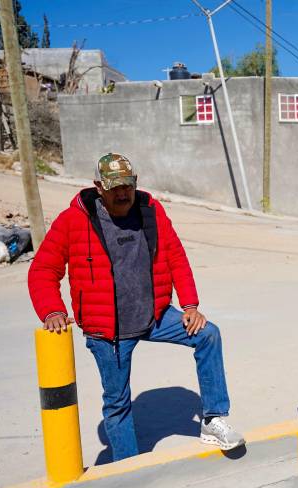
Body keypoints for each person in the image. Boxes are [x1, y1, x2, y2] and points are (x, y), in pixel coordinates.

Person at [28, 153, 243, 461]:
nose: (122, 193)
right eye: (114, 186)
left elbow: (175, 257)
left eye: (127, 185)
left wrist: (190, 304)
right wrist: (52, 310)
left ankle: (213, 420)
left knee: (208, 334)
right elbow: (43, 270)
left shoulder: (150, 211)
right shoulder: (73, 220)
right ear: (99, 187)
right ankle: (129, 468)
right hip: (108, 330)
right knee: (117, 403)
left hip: (155, 315)